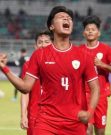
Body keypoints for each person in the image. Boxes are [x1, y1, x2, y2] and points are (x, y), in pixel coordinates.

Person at [0, 6, 100, 135]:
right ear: (51, 26)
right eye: (61, 17)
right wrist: (4, 68)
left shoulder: (84, 56)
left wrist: (89, 113)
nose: (67, 19)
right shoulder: (40, 55)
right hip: (46, 122)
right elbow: (25, 87)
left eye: (69, 18)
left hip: (74, 123)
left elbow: (95, 88)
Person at [79, 15, 111, 135]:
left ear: (99, 33)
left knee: (100, 131)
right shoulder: (78, 50)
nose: (90, 31)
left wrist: (102, 65)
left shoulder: (106, 49)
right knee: (87, 130)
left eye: (93, 29)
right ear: (84, 33)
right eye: (87, 29)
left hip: (101, 96)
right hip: (85, 95)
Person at [20, 30, 53, 135]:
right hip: (35, 115)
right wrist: (23, 115)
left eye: (47, 41)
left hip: (55, 115)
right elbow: (25, 92)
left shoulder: (61, 63)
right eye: (40, 42)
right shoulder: (28, 65)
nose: (43, 45)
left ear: (53, 44)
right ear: (35, 46)